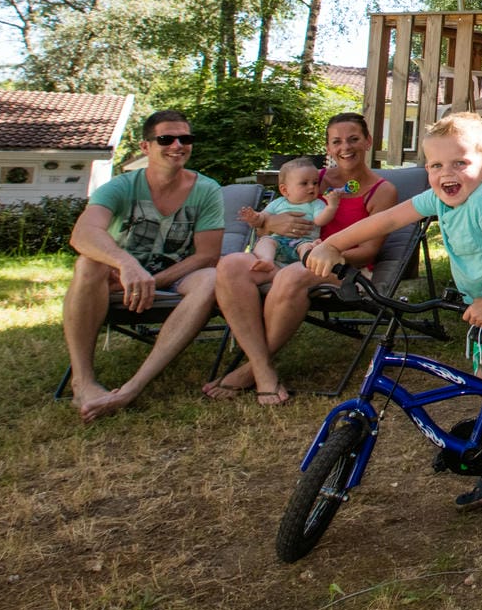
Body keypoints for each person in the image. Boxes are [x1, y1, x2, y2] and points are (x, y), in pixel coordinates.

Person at [308, 111, 482, 556]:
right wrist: (332, 243)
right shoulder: (440, 199)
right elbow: (384, 222)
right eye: (436, 165)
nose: (447, 174)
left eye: (460, 163)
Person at [205, 112, 398, 406]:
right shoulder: (311, 179)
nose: (345, 147)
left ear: (368, 141)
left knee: (292, 275)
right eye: (336, 141)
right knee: (231, 264)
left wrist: (327, 252)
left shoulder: (382, 191)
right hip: (288, 254)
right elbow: (271, 220)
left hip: (344, 267)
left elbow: (369, 251)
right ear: (328, 148)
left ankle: (251, 371)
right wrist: (273, 225)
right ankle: (261, 366)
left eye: (354, 139)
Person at [61, 109, 226, 422]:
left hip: (176, 276)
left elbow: (207, 255)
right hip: (117, 277)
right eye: (166, 138)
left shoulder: (206, 189)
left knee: (210, 278)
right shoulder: (121, 187)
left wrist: (154, 279)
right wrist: (126, 264)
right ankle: (83, 382)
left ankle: (134, 386)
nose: (178, 145)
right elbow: (82, 233)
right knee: (88, 264)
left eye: (185, 138)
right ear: (146, 147)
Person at [238, 157, 338, 267]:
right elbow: (263, 219)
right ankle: (266, 260)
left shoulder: (316, 204)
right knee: (265, 241)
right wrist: (254, 218)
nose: (312, 187)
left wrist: (331, 207)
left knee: (310, 247)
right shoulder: (278, 203)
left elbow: (320, 221)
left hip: (303, 242)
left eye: (315, 183)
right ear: (284, 190)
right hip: (278, 241)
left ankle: (307, 265)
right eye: (304, 183)